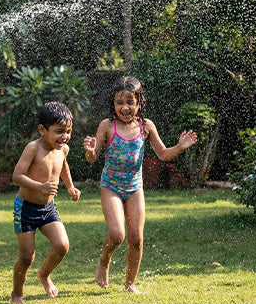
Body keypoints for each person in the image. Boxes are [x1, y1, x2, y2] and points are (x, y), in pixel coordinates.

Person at [83, 76, 197, 293]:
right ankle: (104, 260)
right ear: (113, 103)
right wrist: (89, 151)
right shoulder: (107, 126)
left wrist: (180, 147)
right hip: (111, 186)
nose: (124, 108)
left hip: (134, 187)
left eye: (130, 102)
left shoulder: (146, 126)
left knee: (136, 238)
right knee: (117, 235)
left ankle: (130, 284)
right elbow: (93, 157)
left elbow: (163, 154)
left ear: (139, 102)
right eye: (119, 102)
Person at [10, 101, 81, 304]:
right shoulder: (33, 148)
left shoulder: (63, 149)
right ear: (42, 130)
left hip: (48, 209)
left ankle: (44, 274)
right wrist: (39, 187)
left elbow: (64, 167)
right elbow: (17, 176)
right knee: (27, 257)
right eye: (59, 131)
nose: (65, 136)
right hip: (26, 209)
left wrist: (70, 187)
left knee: (62, 246)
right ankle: (17, 295)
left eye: (68, 131)